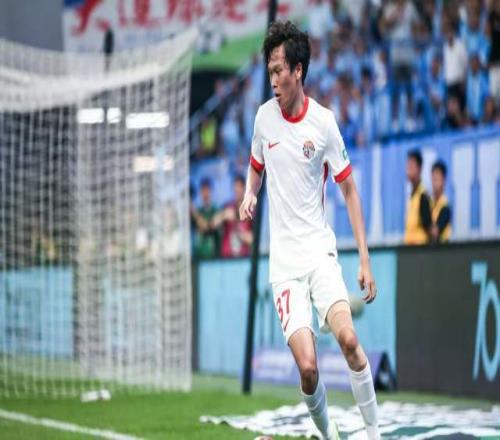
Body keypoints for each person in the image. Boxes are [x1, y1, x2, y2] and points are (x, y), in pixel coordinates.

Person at [239, 21, 379, 440]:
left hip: (319, 255)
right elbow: (255, 167)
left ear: (298, 71)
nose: (273, 81)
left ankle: (374, 434)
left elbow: (349, 190)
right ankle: (329, 434)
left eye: (279, 71)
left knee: (349, 340)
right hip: (285, 267)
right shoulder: (264, 119)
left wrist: (364, 259)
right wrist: (249, 194)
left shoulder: (323, 123)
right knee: (308, 369)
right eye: (269, 72)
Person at [213, 175, 253, 258]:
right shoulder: (227, 206)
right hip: (227, 258)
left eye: (239, 187)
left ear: (244, 189)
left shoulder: (251, 210)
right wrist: (223, 215)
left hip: (243, 258)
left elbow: (254, 239)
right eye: (235, 187)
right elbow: (212, 225)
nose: (237, 190)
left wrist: (241, 235)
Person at [404, 149, 432, 244]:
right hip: (409, 249)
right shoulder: (412, 195)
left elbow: (429, 229)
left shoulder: (423, 196)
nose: (408, 170)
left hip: (419, 249)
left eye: (411, 166)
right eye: (408, 166)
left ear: (420, 169)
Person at [191, 178, 219, 259]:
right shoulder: (198, 210)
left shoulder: (216, 210)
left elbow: (207, 226)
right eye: (203, 190)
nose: (205, 193)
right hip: (198, 256)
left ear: (211, 191)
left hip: (213, 256)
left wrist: (192, 209)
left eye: (207, 190)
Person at [430, 160, 452, 243]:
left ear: (444, 181)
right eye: (433, 178)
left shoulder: (445, 207)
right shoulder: (430, 203)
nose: (434, 182)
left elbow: (435, 232)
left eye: (437, 178)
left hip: (442, 248)